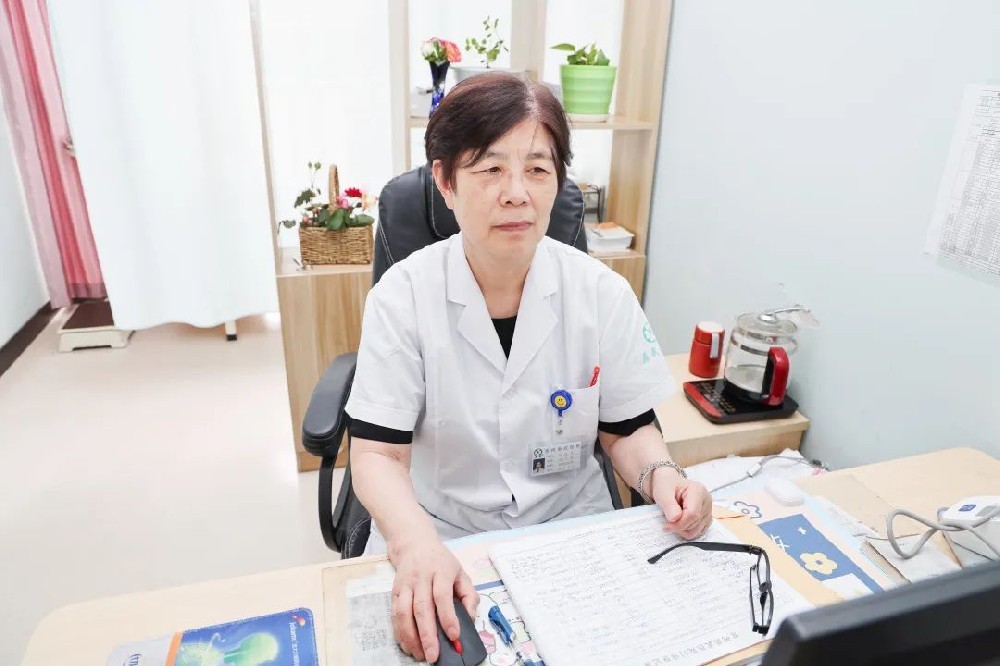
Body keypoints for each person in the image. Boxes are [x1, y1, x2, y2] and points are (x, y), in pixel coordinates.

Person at [345, 72, 713, 663]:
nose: (516, 193)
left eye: (537, 169)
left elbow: (627, 430)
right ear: (445, 181)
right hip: (444, 533)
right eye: (490, 169)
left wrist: (664, 478)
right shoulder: (403, 296)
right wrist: (414, 543)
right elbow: (377, 455)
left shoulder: (601, 293)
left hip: (572, 532)